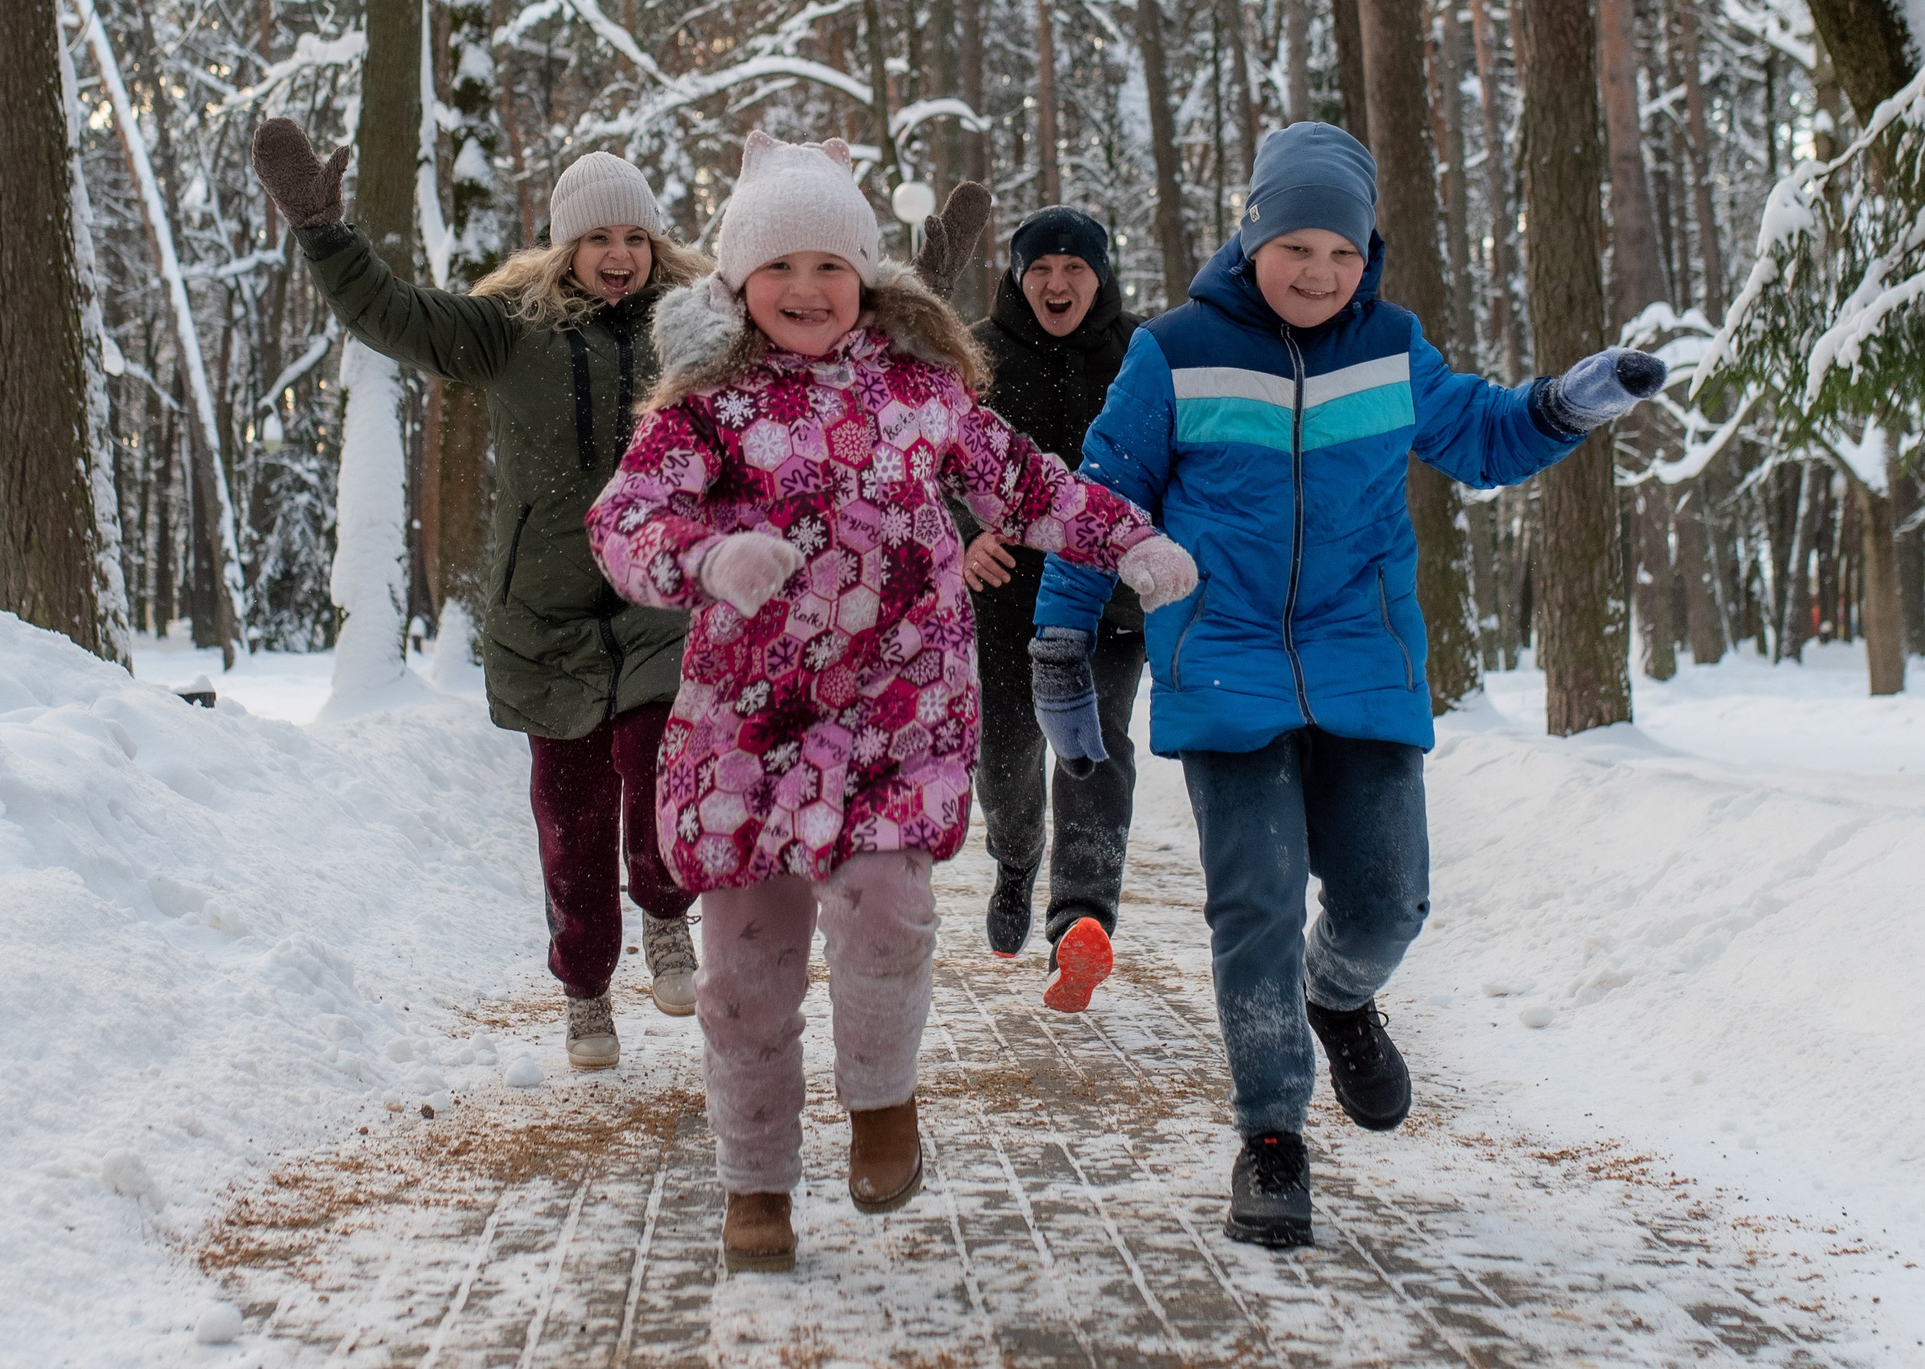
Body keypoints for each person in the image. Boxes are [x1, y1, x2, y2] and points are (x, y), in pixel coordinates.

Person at [1029, 121, 1666, 1249]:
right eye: (1296, 247)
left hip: (1363, 663)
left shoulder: (1392, 349)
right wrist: (1061, 646)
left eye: (1343, 250)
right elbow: (1102, 503)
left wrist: (1568, 404)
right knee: (1255, 908)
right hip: (1220, 668)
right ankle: (1270, 1137)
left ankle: (1339, 996)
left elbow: (1481, 439)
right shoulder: (1172, 353)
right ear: (1252, 236)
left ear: (1368, 250)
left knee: (1386, 902)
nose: (1320, 272)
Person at [587, 132, 1198, 1274]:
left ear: (866, 277)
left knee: (887, 916)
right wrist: (707, 558)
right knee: (741, 975)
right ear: (736, 284)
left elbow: (1027, 484)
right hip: (746, 730)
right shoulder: (704, 410)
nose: (806, 290)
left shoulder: (923, 395)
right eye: (779, 269)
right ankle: (754, 1181)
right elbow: (624, 523)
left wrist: (1131, 544)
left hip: (892, 713)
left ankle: (881, 1108)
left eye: (830, 266)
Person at [251, 118, 708, 1073]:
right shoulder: (510, 332)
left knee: (664, 760)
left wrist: (901, 279)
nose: (618, 257)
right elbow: (397, 315)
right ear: (565, 246)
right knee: (569, 812)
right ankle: (585, 987)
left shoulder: (694, 328)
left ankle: (668, 915)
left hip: (660, 594)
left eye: (633, 238)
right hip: (545, 611)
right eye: (597, 239)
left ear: (654, 244)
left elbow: (813, 324)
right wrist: (325, 233)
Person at [953, 208, 1146, 1012]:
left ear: (1100, 275)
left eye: (1075, 267)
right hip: (1007, 596)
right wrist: (965, 537)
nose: (1057, 283)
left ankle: (1081, 918)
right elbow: (933, 457)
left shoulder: (1141, 352)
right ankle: (1015, 857)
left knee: (1092, 746)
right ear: (1016, 274)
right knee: (1003, 764)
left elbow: (1175, 457)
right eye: (1041, 268)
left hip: (1108, 596)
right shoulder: (977, 353)